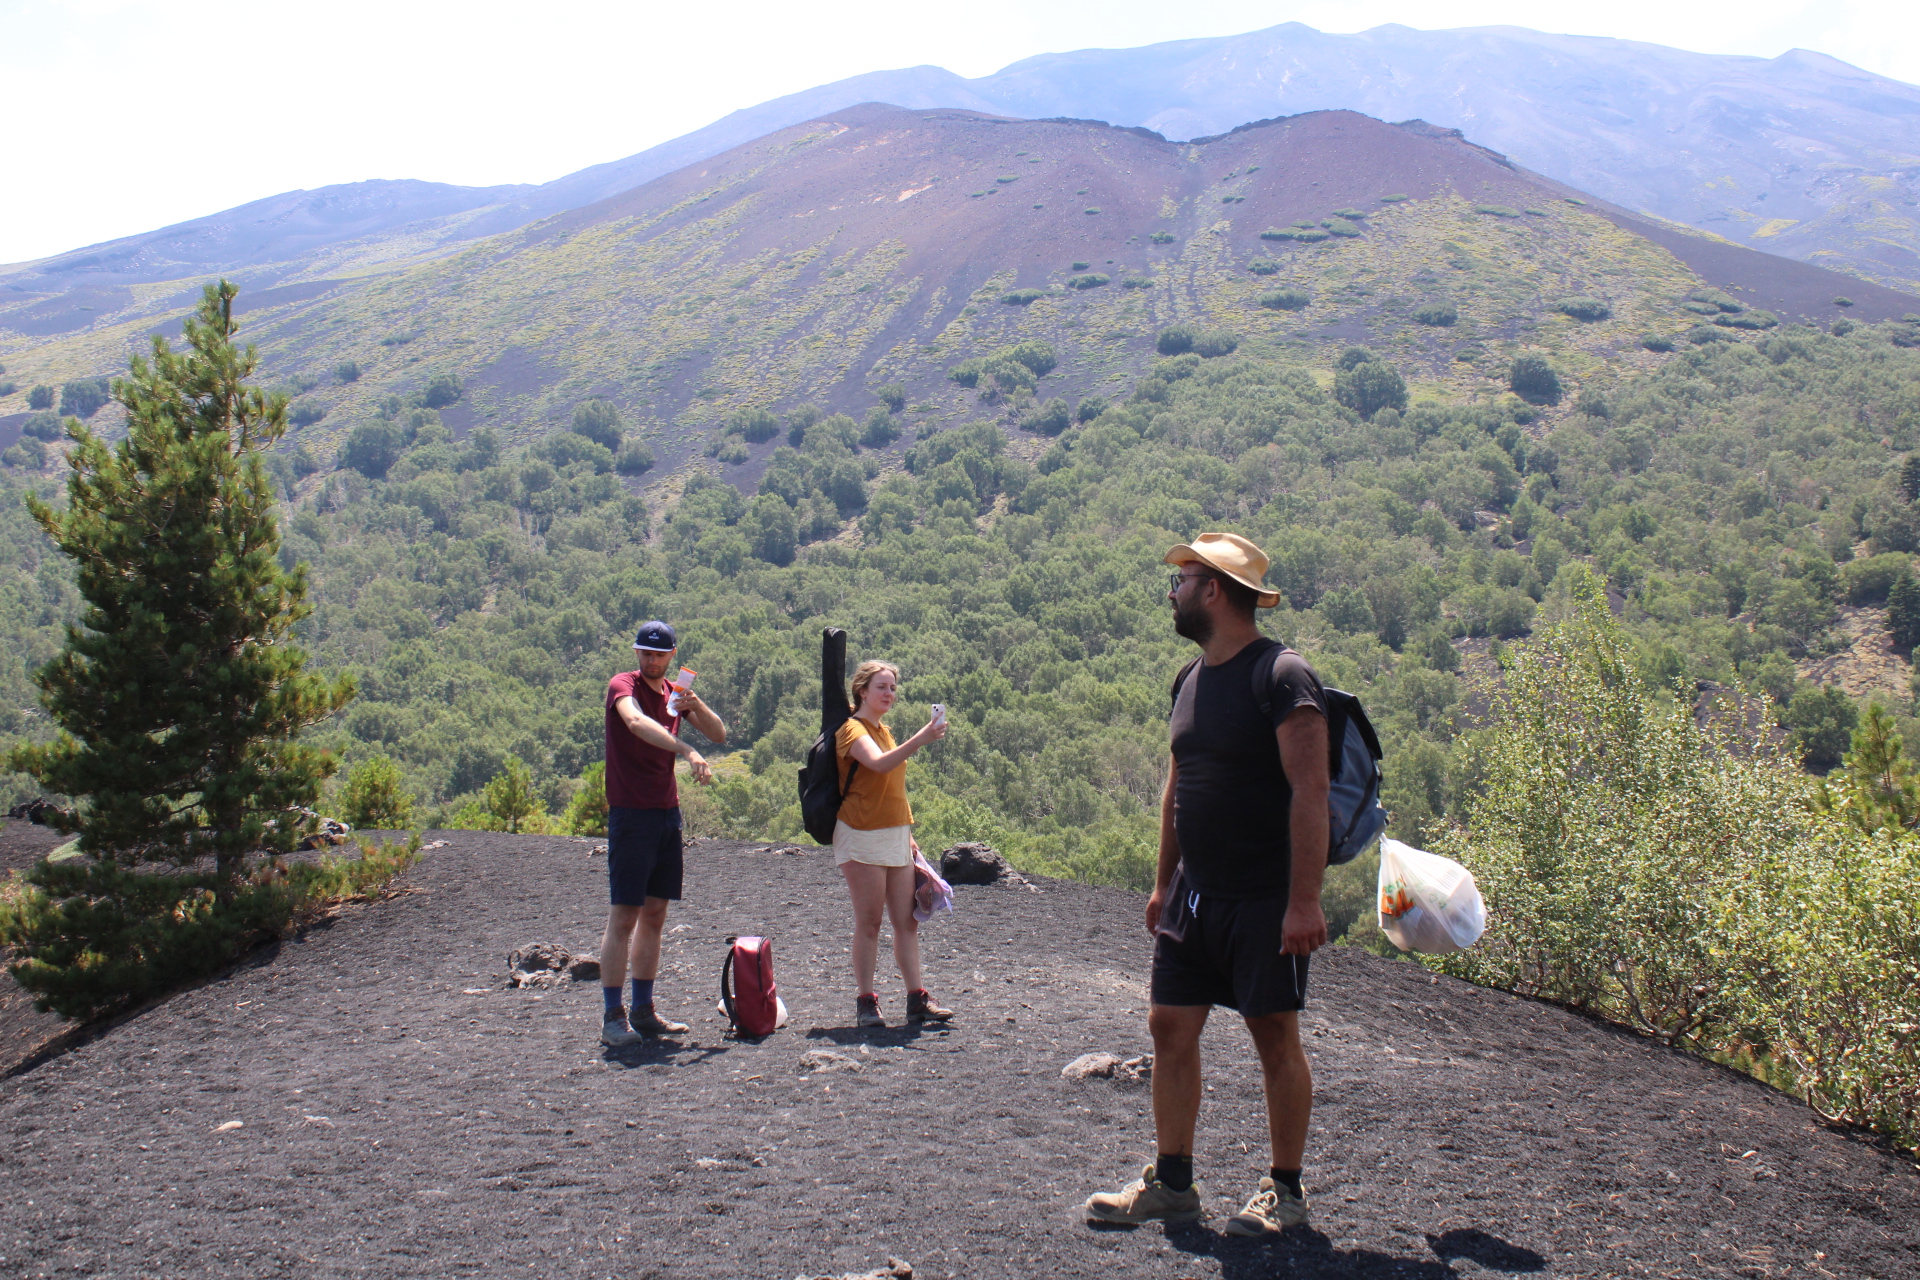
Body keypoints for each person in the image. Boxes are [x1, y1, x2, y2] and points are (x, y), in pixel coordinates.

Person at [1086, 532, 1332, 1235]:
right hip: (1196, 894)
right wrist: (1163, 883)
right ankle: (1173, 1183)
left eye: (1181, 581)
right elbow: (1176, 786)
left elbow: (1311, 791)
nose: (1172, 593)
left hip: (1263, 894)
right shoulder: (1188, 679)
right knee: (1168, 1024)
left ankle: (1285, 1191)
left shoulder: (1284, 677)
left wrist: (1304, 900)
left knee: (1273, 1036)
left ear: (1214, 590)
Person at [598, 620, 727, 1046]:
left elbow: (719, 733)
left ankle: (644, 1009)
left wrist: (696, 705)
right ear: (636, 653)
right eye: (645, 653)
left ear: (672, 655)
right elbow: (635, 723)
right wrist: (685, 748)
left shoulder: (675, 694)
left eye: (659, 654)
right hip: (631, 814)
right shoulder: (623, 685)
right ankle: (612, 1017)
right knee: (624, 916)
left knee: (655, 914)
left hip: (665, 813)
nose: (651, 660)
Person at [833, 660, 953, 1028]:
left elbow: (890, 788)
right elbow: (880, 766)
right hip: (861, 833)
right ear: (862, 691)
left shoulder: (883, 730)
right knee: (869, 923)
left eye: (892, 688)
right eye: (882, 687)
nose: (889, 694)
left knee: (907, 922)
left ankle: (917, 999)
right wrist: (922, 737)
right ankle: (866, 1002)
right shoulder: (851, 731)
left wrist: (909, 837)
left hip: (895, 834)